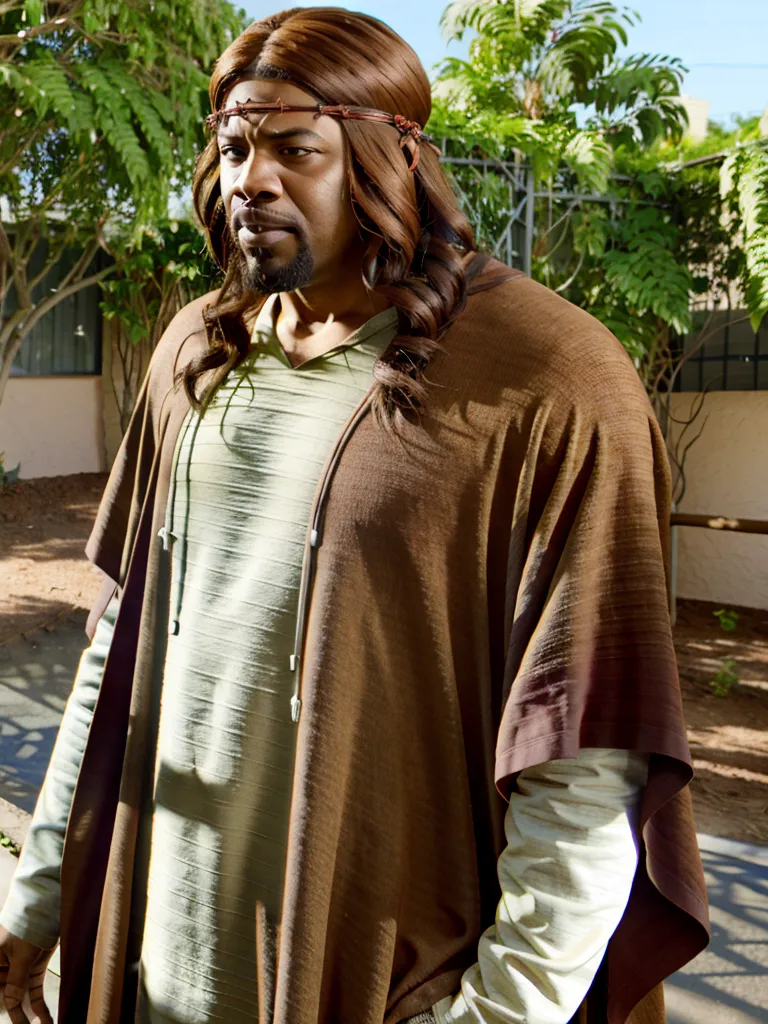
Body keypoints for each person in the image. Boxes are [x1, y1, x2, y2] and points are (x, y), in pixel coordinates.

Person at [0, 8, 709, 1024]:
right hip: (167, 950)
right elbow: (119, 647)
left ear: (389, 156)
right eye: (234, 146)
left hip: (389, 973)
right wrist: (37, 896)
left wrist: (503, 1015)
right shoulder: (195, 350)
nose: (250, 179)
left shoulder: (548, 374)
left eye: (294, 148)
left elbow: (586, 740)